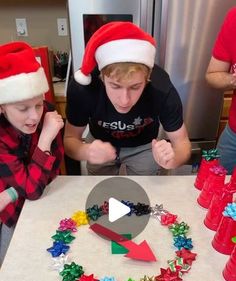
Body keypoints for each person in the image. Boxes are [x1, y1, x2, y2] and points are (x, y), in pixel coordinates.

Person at [64, 21, 191, 175]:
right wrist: (86, 151)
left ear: (147, 78)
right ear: (102, 77)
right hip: (99, 142)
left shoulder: (162, 88)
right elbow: (70, 139)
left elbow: (182, 143)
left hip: (145, 145)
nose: (124, 100)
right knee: (100, 193)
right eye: (115, 86)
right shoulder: (83, 88)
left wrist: (173, 159)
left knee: (149, 193)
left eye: (135, 87)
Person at [0, 41, 64, 265]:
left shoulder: (48, 112)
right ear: (2, 106)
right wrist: (45, 138)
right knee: (15, 265)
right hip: (11, 213)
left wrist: (11, 192)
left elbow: (53, 171)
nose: (35, 116)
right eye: (23, 109)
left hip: (34, 200)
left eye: (38, 105)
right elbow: (31, 189)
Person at [206, 7, 236, 175]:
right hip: (233, 137)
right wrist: (234, 79)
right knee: (214, 186)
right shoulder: (234, 17)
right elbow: (212, 75)